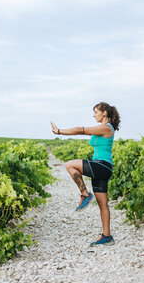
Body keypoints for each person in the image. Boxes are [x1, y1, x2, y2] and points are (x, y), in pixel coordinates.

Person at [50, 102, 120, 246]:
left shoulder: (106, 128)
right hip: (102, 168)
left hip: (102, 165)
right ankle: (107, 236)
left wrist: (59, 131)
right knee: (103, 204)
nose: (94, 115)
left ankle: (85, 195)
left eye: (96, 112)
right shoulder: (103, 128)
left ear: (104, 113)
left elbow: (80, 130)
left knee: (70, 164)